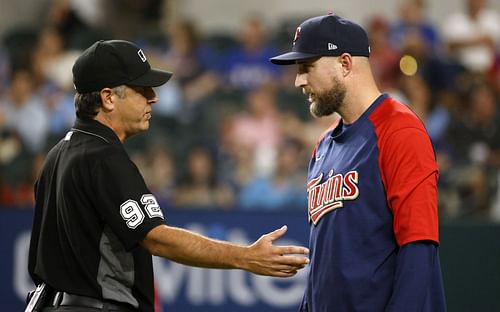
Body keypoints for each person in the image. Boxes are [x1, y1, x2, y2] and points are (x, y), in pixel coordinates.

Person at [27, 39, 309, 312]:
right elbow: (156, 238)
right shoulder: (103, 157)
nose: (154, 97)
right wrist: (245, 257)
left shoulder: (58, 154)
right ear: (108, 97)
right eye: (142, 89)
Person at [270, 14, 446, 311]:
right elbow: (325, 267)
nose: (299, 80)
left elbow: (419, 246)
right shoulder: (323, 146)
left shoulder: (400, 131)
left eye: (307, 67)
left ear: (345, 63)